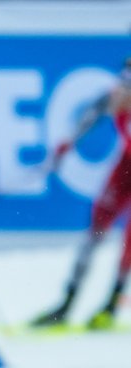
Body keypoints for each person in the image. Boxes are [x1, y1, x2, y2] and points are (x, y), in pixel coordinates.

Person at [32, 60, 131, 329]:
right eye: (118, 89)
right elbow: (91, 115)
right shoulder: (114, 98)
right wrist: (65, 148)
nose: (116, 97)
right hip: (127, 165)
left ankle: (111, 304)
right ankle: (67, 303)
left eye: (124, 92)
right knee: (96, 229)